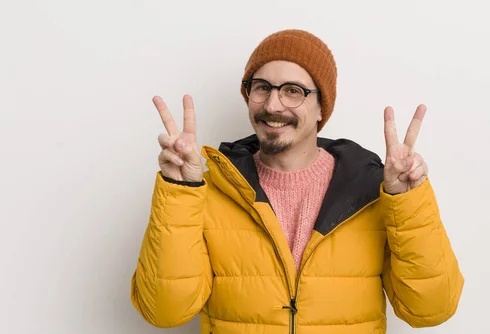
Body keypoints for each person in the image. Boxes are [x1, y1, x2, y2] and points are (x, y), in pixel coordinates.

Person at [130, 29, 464, 334]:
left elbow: (430, 309)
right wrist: (180, 192)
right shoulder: (212, 191)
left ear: (322, 107)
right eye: (262, 88)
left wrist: (407, 202)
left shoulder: (373, 193)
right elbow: (164, 311)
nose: (273, 105)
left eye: (293, 91)